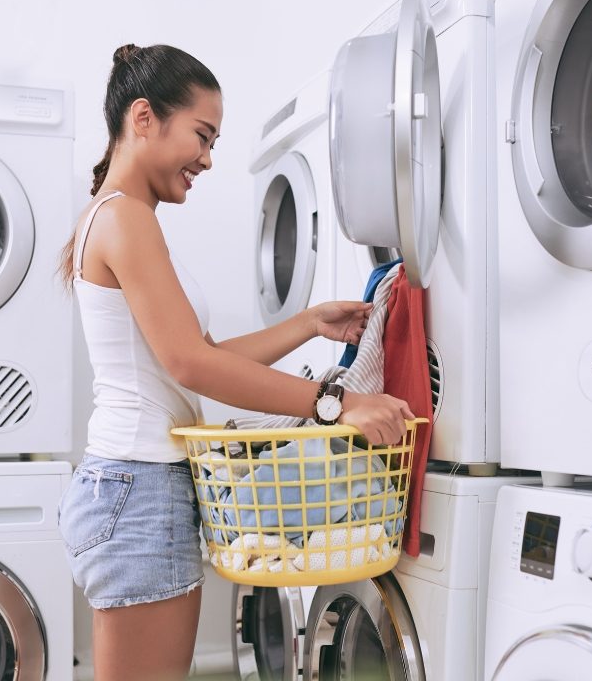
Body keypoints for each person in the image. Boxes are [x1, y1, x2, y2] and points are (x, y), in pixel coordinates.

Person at [56, 43, 414, 681]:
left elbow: (200, 357)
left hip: (131, 485)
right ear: (143, 118)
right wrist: (339, 405)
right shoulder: (127, 219)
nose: (207, 158)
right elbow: (191, 365)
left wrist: (305, 325)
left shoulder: (117, 218)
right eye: (200, 135)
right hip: (137, 489)